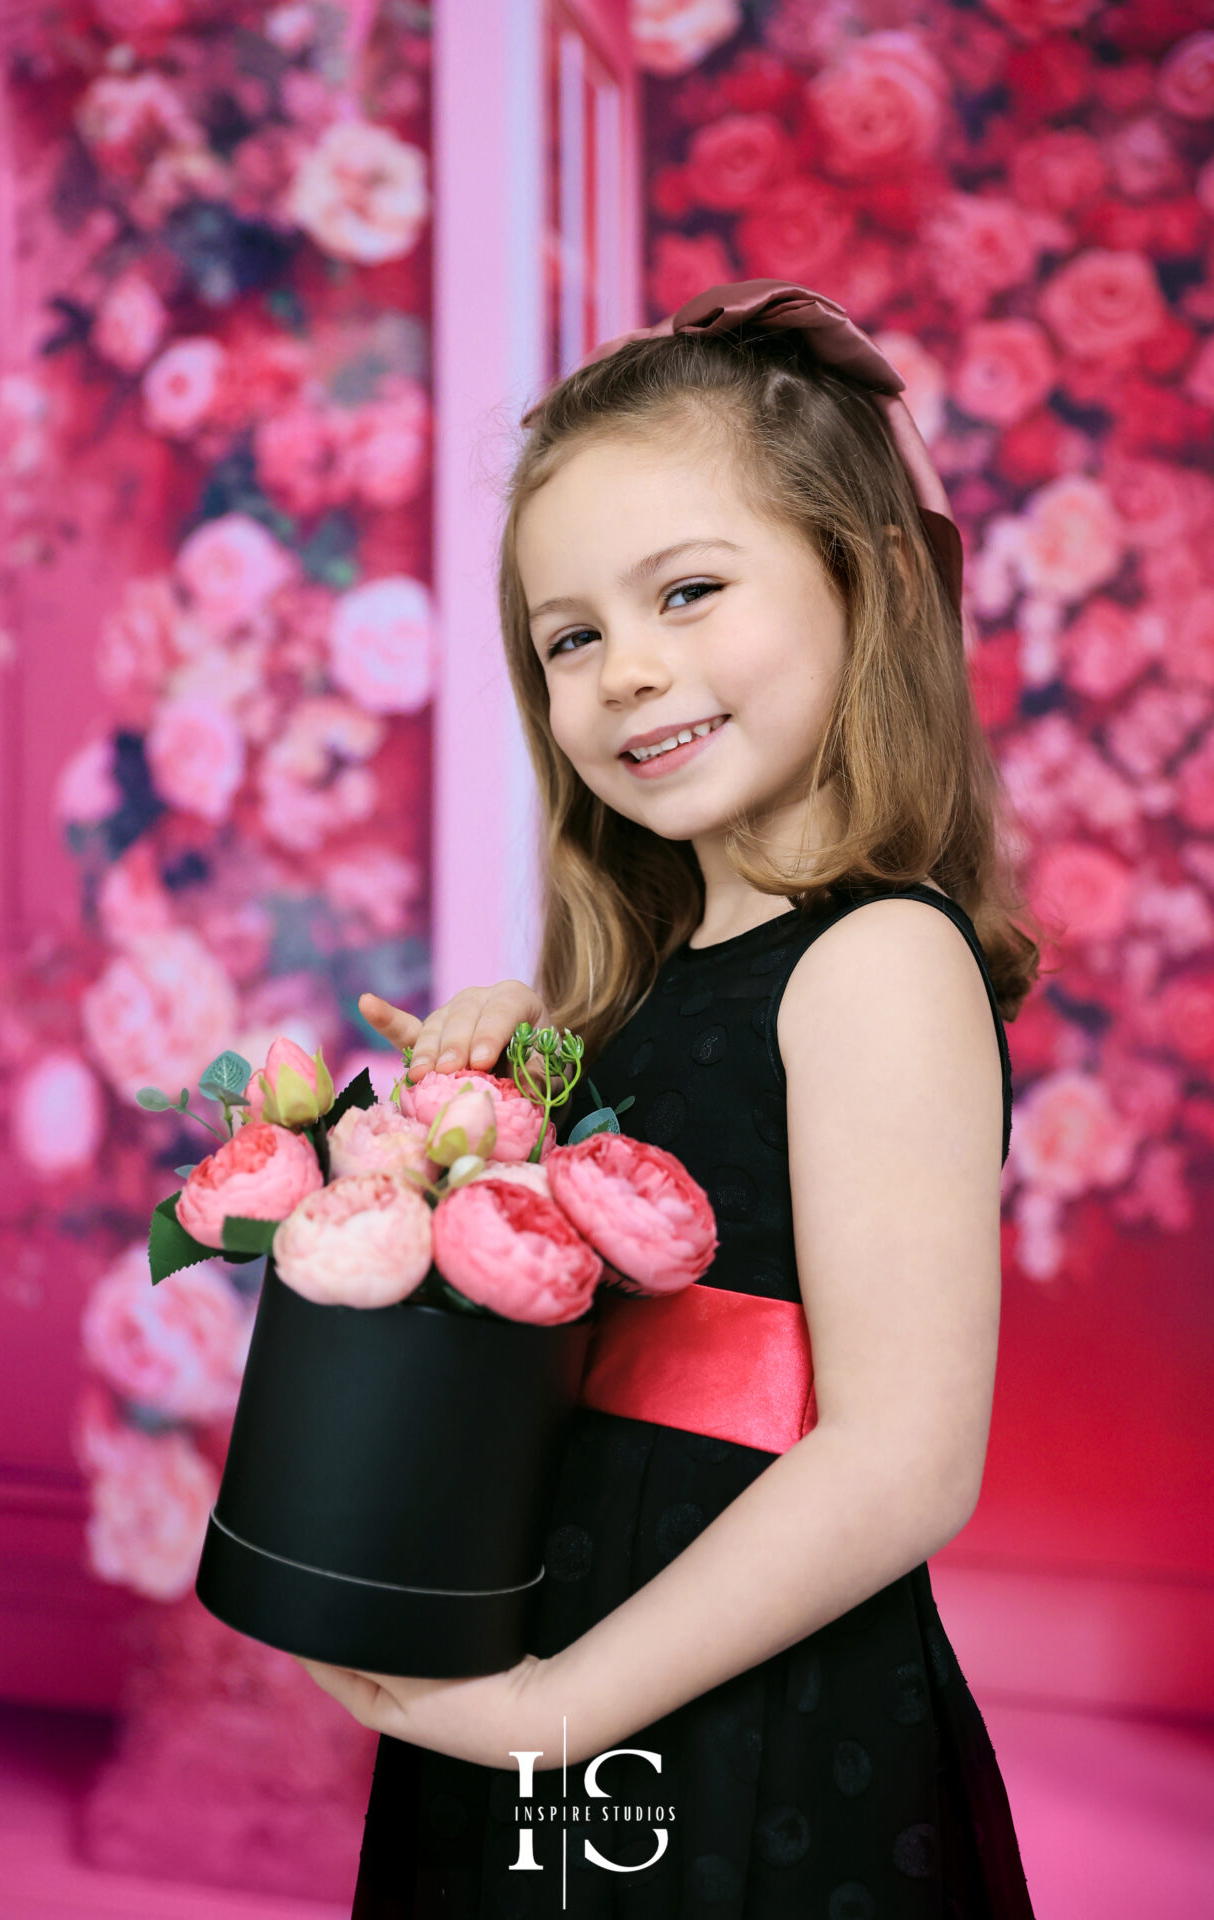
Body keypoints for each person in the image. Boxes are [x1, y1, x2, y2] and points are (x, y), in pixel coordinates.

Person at [306, 281, 1041, 1917]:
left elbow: (903, 1459)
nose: (627, 672)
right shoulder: (638, 986)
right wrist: (519, 1076)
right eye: (571, 639)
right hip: (558, 1634)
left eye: (689, 592)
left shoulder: (873, 963)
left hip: (715, 1699)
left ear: (863, 584)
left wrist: (554, 1715)